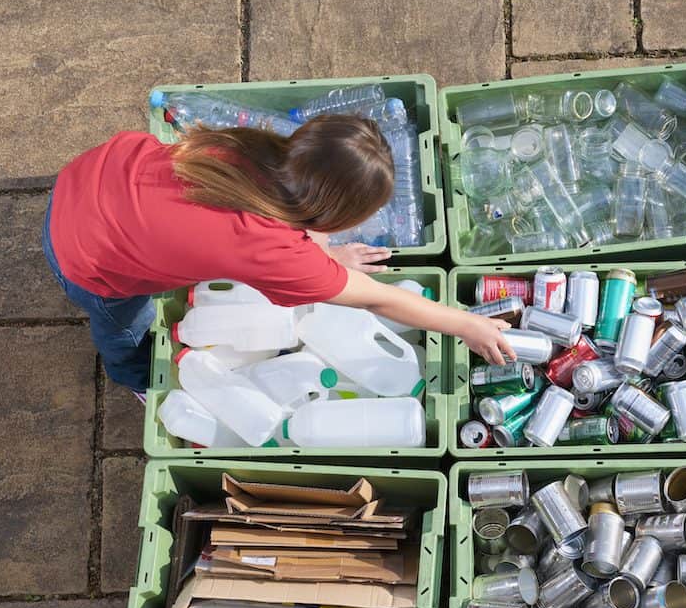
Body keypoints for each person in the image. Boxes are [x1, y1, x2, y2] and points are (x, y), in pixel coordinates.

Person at [43, 115, 514, 398]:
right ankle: (132, 377)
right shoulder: (271, 248)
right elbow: (378, 300)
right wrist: (465, 324)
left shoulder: (253, 147)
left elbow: (270, 227)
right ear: (332, 214)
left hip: (90, 176)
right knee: (124, 324)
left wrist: (328, 259)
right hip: (86, 257)